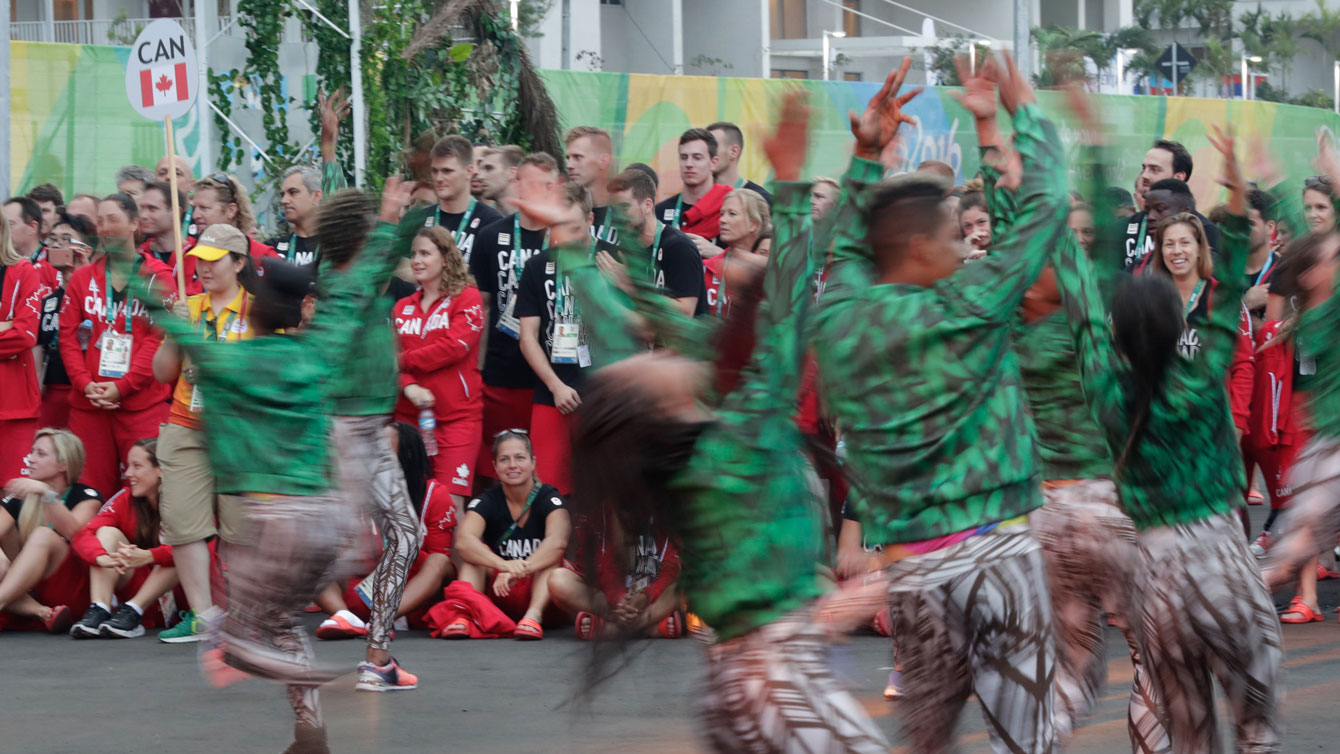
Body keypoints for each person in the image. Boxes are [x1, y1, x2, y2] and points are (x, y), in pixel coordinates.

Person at [563, 88, 890, 752]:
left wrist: (571, 245)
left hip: (748, 683)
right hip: (779, 684)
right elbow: (796, 286)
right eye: (641, 367)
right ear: (659, 407)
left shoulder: (699, 443)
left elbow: (641, 319)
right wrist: (839, 169)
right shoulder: (736, 444)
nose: (646, 356)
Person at [812, 55, 1062, 754]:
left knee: (922, 740)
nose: (965, 246)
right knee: (1025, 743)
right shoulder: (969, 305)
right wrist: (1019, 115)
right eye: (954, 235)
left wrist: (866, 155)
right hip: (1000, 554)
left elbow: (843, 255)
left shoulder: (843, 316)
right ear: (920, 247)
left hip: (915, 572)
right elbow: (1044, 210)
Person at [143, 179, 414, 752]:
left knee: (256, 630)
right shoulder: (322, 351)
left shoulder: (237, 359)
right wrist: (392, 220)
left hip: (275, 526)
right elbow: (362, 281)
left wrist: (136, 273)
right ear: (306, 310)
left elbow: (177, 331)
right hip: (330, 529)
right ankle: (308, 730)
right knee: (285, 620)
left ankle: (249, 651)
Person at [1053, 124, 1282, 754]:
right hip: (1221, 561)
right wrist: (1235, 185)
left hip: (1156, 578)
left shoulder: (1105, 391)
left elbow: (1081, 302)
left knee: (1186, 726)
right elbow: (1233, 272)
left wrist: (1077, 186)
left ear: (1119, 335)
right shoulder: (1203, 371)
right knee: (1255, 723)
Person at [321, 182, 429, 692]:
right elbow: (384, 250)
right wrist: (391, 216)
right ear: (356, 238)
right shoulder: (350, 281)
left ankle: (378, 659)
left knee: (405, 536)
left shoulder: (346, 269)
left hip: (360, 429)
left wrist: (424, 200)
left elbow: (390, 241)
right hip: (349, 433)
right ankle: (253, 625)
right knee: (338, 545)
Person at [149, 223, 260, 643]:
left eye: (215, 261)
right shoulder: (188, 309)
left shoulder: (259, 312)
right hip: (186, 426)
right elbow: (162, 374)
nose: (204, 268)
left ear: (239, 263)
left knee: (242, 531)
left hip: (239, 432)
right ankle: (205, 615)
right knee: (182, 522)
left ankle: (249, 616)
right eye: (200, 260)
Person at [59, 194, 171, 496]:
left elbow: (157, 342)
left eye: (112, 220)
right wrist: (85, 384)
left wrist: (122, 386)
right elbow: (67, 337)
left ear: (135, 224)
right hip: (89, 406)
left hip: (140, 406)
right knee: (87, 493)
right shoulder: (83, 278)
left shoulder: (158, 278)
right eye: (100, 220)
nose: (104, 228)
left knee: (144, 494)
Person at [468, 153, 561, 487]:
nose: (537, 190)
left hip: (554, 376)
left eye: (545, 184)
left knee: (546, 475)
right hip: (502, 372)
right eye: (529, 181)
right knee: (500, 470)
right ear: (517, 183)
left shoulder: (567, 237)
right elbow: (482, 307)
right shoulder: (490, 236)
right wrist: (476, 371)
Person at [317, 422, 457, 640]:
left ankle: (382, 619)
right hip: (368, 590)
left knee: (439, 561)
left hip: (415, 596)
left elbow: (441, 565)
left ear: (407, 455)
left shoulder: (435, 495)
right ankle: (344, 616)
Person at [447, 430, 571, 640]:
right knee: (472, 558)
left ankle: (533, 617)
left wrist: (521, 569)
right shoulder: (488, 500)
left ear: (532, 463)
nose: (512, 465)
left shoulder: (549, 497)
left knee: (551, 559)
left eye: (520, 458)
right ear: (495, 467)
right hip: (501, 587)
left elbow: (557, 542)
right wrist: (503, 565)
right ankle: (464, 615)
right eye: (504, 459)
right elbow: (464, 541)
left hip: (541, 593)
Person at [514, 182, 596, 495]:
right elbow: (527, 338)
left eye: (574, 227)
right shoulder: (537, 266)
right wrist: (556, 386)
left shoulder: (614, 261)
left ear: (590, 220)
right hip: (553, 394)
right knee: (548, 493)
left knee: (601, 493)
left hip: (602, 396)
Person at [394, 226, 486, 500]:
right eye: (413, 254)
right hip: (408, 419)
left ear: (445, 258)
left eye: (425, 253)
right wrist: (408, 385)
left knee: (449, 504)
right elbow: (386, 364)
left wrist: (403, 360)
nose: (417, 260)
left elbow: (453, 348)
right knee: (406, 504)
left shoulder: (468, 298)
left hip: (457, 420)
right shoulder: (402, 307)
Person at [68, 438, 179, 638]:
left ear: (160, 469)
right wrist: (100, 556)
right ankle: (100, 608)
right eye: (128, 466)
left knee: (185, 549)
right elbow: (84, 534)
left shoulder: (188, 500)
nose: (128, 474)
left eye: (137, 466)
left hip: (181, 599)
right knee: (106, 533)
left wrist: (149, 556)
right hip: (137, 589)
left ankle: (134, 611)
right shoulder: (126, 497)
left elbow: (205, 548)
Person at [0, 429, 103, 632]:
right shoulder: (20, 497)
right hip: (28, 587)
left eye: (41, 454)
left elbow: (75, 535)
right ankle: (42, 612)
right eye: (32, 452)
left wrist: (46, 494)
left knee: (43, 535)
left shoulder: (86, 496)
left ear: (64, 464)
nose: (30, 459)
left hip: (72, 588)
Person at [548, 501, 683, 640]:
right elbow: (603, 569)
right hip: (612, 600)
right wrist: (618, 599)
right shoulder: (601, 513)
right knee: (558, 580)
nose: (631, 521)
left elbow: (670, 570)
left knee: (687, 583)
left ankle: (627, 626)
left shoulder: (665, 514)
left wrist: (645, 596)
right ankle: (646, 626)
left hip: (652, 596)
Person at [604, 168, 707, 316]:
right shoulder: (626, 249)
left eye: (624, 207)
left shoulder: (678, 247)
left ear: (647, 206)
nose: (618, 216)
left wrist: (631, 287)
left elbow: (685, 312)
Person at [35, 214, 97, 430]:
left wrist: (84, 274)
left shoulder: (97, 298)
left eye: (66, 239)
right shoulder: (48, 301)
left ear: (86, 250)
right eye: (53, 239)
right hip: (51, 393)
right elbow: (38, 346)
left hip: (87, 392)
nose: (57, 245)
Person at [402, 135, 503, 264]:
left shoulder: (491, 222)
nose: (439, 178)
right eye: (434, 171)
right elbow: (395, 268)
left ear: (469, 171)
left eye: (447, 171)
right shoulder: (417, 219)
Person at [0, 210, 42, 482]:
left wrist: (14, 327)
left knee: (14, 492)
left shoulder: (24, 271)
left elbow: (25, 334)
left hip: (14, 404)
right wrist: (6, 325)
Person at [654, 128, 732, 252]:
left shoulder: (731, 208)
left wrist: (718, 255)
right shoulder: (659, 212)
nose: (689, 164)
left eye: (697, 157)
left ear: (713, 163)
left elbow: (751, 265)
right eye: (684, 157)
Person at [1126, 177, 1221, 273]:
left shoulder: (1217, 270)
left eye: (1160, 209)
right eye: (1147, 211)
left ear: (1184, 213)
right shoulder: (1141, 267)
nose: (1150, 217)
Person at [706, 188, 770, 317]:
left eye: (732, 214)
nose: (722, 220)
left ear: (754, 224)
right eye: (722, 213)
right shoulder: (706, 267)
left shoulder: (773, 269)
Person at [564, 126, 617, 241]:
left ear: (603, 161)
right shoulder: (561, 211)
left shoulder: (627, 216)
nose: (569, 165)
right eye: (568, 158)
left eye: (577, 157)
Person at [266, 166, 324, 268]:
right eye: (282, 194)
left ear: (316, 196)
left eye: (293, 192)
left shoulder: (335, 248)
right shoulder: (272, 248)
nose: (283, 201)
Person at [707, 121, 772, 203]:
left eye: (712, 146)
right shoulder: (695, 197)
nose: (706, 152)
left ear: (734, 152)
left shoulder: (762, 201)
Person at [136, 181, 191, 269]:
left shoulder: (195, 255)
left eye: (152, 209)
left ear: (175, 212)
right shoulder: (139, 256)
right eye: (142, 208)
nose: (143, 215)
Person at [476, 145, 523, 217]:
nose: (480, 176)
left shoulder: (538, 219)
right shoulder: (482, 219)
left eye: (489, 168)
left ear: (512, 173)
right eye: (480, 170)